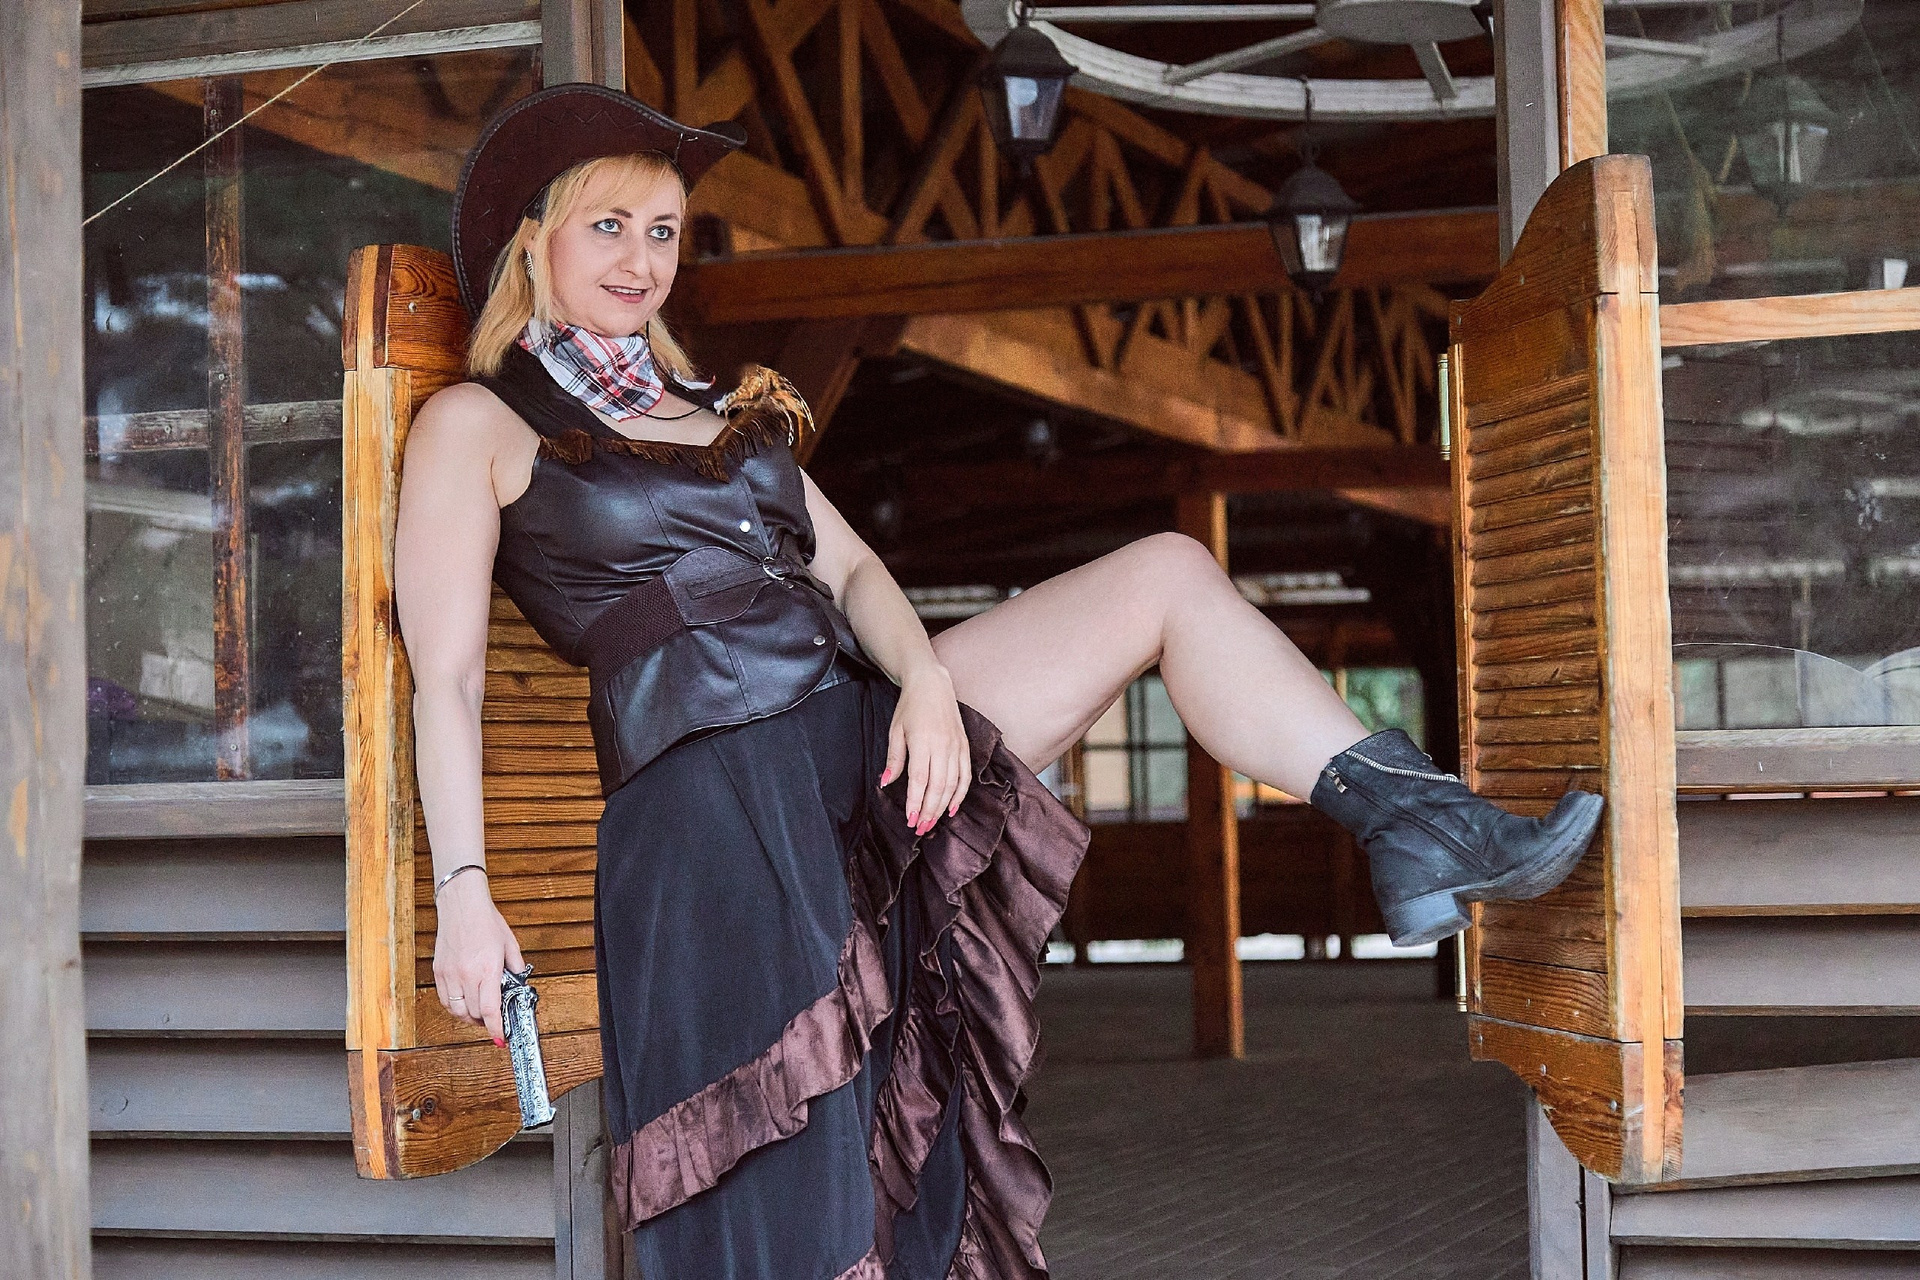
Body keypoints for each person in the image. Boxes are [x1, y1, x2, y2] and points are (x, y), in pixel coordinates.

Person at [395, 84, 1604, 1280]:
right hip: (711, 815)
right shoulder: (479, 425)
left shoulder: (725, 414)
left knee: (1169, 575)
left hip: (855, 737)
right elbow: (443, 678)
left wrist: (925, 677)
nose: (642, 259)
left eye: (663, 231)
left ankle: (1419, 822)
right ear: (533, 241)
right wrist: (465, 891)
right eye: (609, 226)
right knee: (808, 1192)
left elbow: (852, 567)